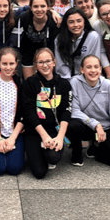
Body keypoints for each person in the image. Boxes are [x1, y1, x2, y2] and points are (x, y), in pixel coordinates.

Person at [67, 55, 110, 170]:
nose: (93, 70)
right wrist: (95, 124)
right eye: (88, 67)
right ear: (82, 70)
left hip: (106, 129)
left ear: (100, 69)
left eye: (96, 67)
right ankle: (76, 151)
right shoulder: (74, 83)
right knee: (72, 124)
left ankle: (98, 152)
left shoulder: (108, 86)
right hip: (86, 127)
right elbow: (74, 110)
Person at [22, 48, 71, 179]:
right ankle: (38, 150)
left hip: (54, 129)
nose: (45, 65)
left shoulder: (64, 84)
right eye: (41, 62)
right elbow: (29, 112)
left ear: (54, 62)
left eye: (48, 61)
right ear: (35, 65)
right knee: (39, 173)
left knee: (53, 157)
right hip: (35, 130)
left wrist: (60, 137)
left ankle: (47, 152)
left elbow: (67, 111)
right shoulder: (29, 83)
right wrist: (44, 136)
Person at [0, 47, 25, 175]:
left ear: (16, 64)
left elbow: (23, 113)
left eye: (11, 63)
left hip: (15, 132)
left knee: (14, 169)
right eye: (4, 64)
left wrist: (13, 138)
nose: (8, 67)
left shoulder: (21, 83)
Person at [54, 7, 110, 81]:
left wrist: (81, 80)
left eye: (79, 21)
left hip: (87, 77)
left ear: (84, 22)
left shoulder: (93, 37)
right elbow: (60, 65)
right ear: (66, 24)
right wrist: (70, 80)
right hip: (66, 79)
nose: (76, 25)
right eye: (71, 22)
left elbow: (94, 61)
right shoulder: (59, 39)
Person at [13, 0, 60, 79]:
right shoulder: (24, 18)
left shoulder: (54, 21)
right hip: (28, 52)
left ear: (48, 7)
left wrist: (55, 13)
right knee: (29, 82)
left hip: (47, 55)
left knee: (45, 82)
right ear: (30, 7)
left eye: (42, 6)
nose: (39, 9)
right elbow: (8, 19)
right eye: (35, 6)